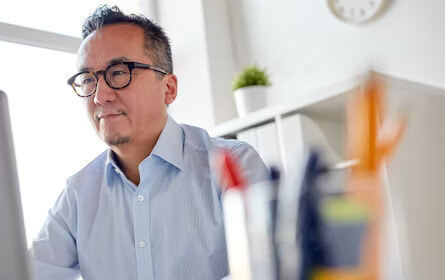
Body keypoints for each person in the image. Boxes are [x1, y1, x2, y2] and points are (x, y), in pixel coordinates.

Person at [30, 5, 268, 280]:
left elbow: (265, 269)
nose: (100, 96)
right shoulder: (77, 196)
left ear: (169, 88)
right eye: (87, 79)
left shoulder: (233, 165)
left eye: (118, 72)